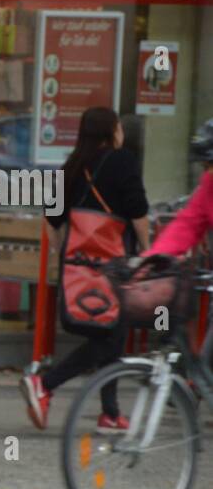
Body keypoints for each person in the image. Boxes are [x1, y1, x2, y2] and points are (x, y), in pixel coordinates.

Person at [20, 107, 150, 432]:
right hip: (114, 268)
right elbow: (138, 213)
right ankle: (46, 384)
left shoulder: (72, 167)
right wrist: (148, 252)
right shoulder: (124, 162)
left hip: (78, 268)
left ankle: (109, 412)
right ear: (112, 131)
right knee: (111, 337)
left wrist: (62, 255)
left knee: (111, 335)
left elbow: (51, 220)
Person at [145, 118, 213, 259]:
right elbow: (188, 224)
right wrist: (155, 257)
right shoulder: (209, 184)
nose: (209, 172)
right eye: (206, 167)